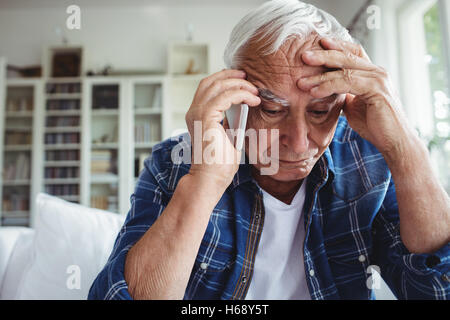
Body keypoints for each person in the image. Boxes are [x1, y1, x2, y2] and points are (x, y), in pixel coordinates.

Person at [89, 0, 450, 300]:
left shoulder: (367, 159)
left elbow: (435, 293)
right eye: (273, 110)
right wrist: (205, 179)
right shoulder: (173, 163)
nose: (298, 141)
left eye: (321, 111)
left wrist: (405, 148)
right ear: (234, 99)